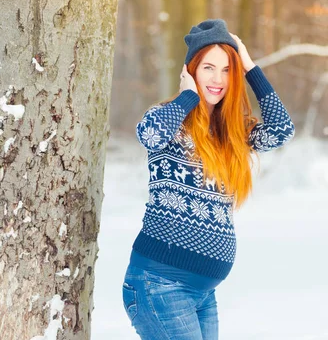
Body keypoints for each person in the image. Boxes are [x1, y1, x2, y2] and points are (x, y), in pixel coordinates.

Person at [121, 19, 295, 339]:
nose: (218, 79)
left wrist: (249, 66)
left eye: (227, 69)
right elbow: (148, 133)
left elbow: (281, 130)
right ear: (191, 71)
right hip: (160, 285)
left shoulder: (232, 133)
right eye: (208, 68)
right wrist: (188, 97)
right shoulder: (173, 122)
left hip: (202, 294)